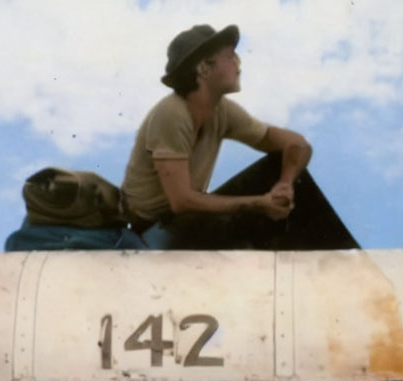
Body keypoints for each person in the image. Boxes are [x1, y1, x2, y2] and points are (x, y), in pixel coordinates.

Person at [121, 24, 312, 249]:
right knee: (237, 233)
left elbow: (297, 144)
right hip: (156, 229)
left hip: (188, 217)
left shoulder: (222, 111)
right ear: (204, 68)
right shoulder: (172, 113)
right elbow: (181, 201)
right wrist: (257, 204)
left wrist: (286, 183)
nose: (238, 64)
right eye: (230, 57)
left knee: (279, 167)